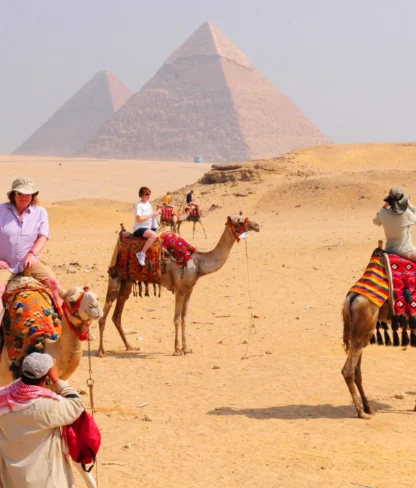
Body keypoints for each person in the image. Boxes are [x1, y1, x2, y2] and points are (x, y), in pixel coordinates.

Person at [0, 352, 84, 487]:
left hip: (13, 480)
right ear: (46, 378)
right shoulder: (48, 406)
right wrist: (56, 379)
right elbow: (76, 405)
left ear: (21, 370)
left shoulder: (3, 399)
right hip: (46, 481)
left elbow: (16, 386)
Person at [0, 178, 62, 315]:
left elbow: (43, 236)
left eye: (28, 194)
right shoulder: (1, 210)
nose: (24, 197)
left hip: (30, 263)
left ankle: (63, 325)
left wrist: (32, 254)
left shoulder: (40, 212)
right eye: (20, 194)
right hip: (5, 264)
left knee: (54, 284)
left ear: (33, 196)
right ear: (13, 195)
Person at [373, 187, 416, 260]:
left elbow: (375, 221)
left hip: (389, 250)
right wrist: (409, 204)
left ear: (389, 201)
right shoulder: (407, 213)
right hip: (406, 251)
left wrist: (384, 207)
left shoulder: (383, 213)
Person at [133, 186, 160, 266]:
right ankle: (142, 254)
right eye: (147, 194)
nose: (149, 196)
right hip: (139, 229)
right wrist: (152, 214)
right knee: (153, 235)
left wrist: (157, 213)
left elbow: (151, 216)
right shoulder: (139, 205)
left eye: (149, 194)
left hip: (148, 228)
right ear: (142, 195)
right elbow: (139, 219)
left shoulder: (148, 204)